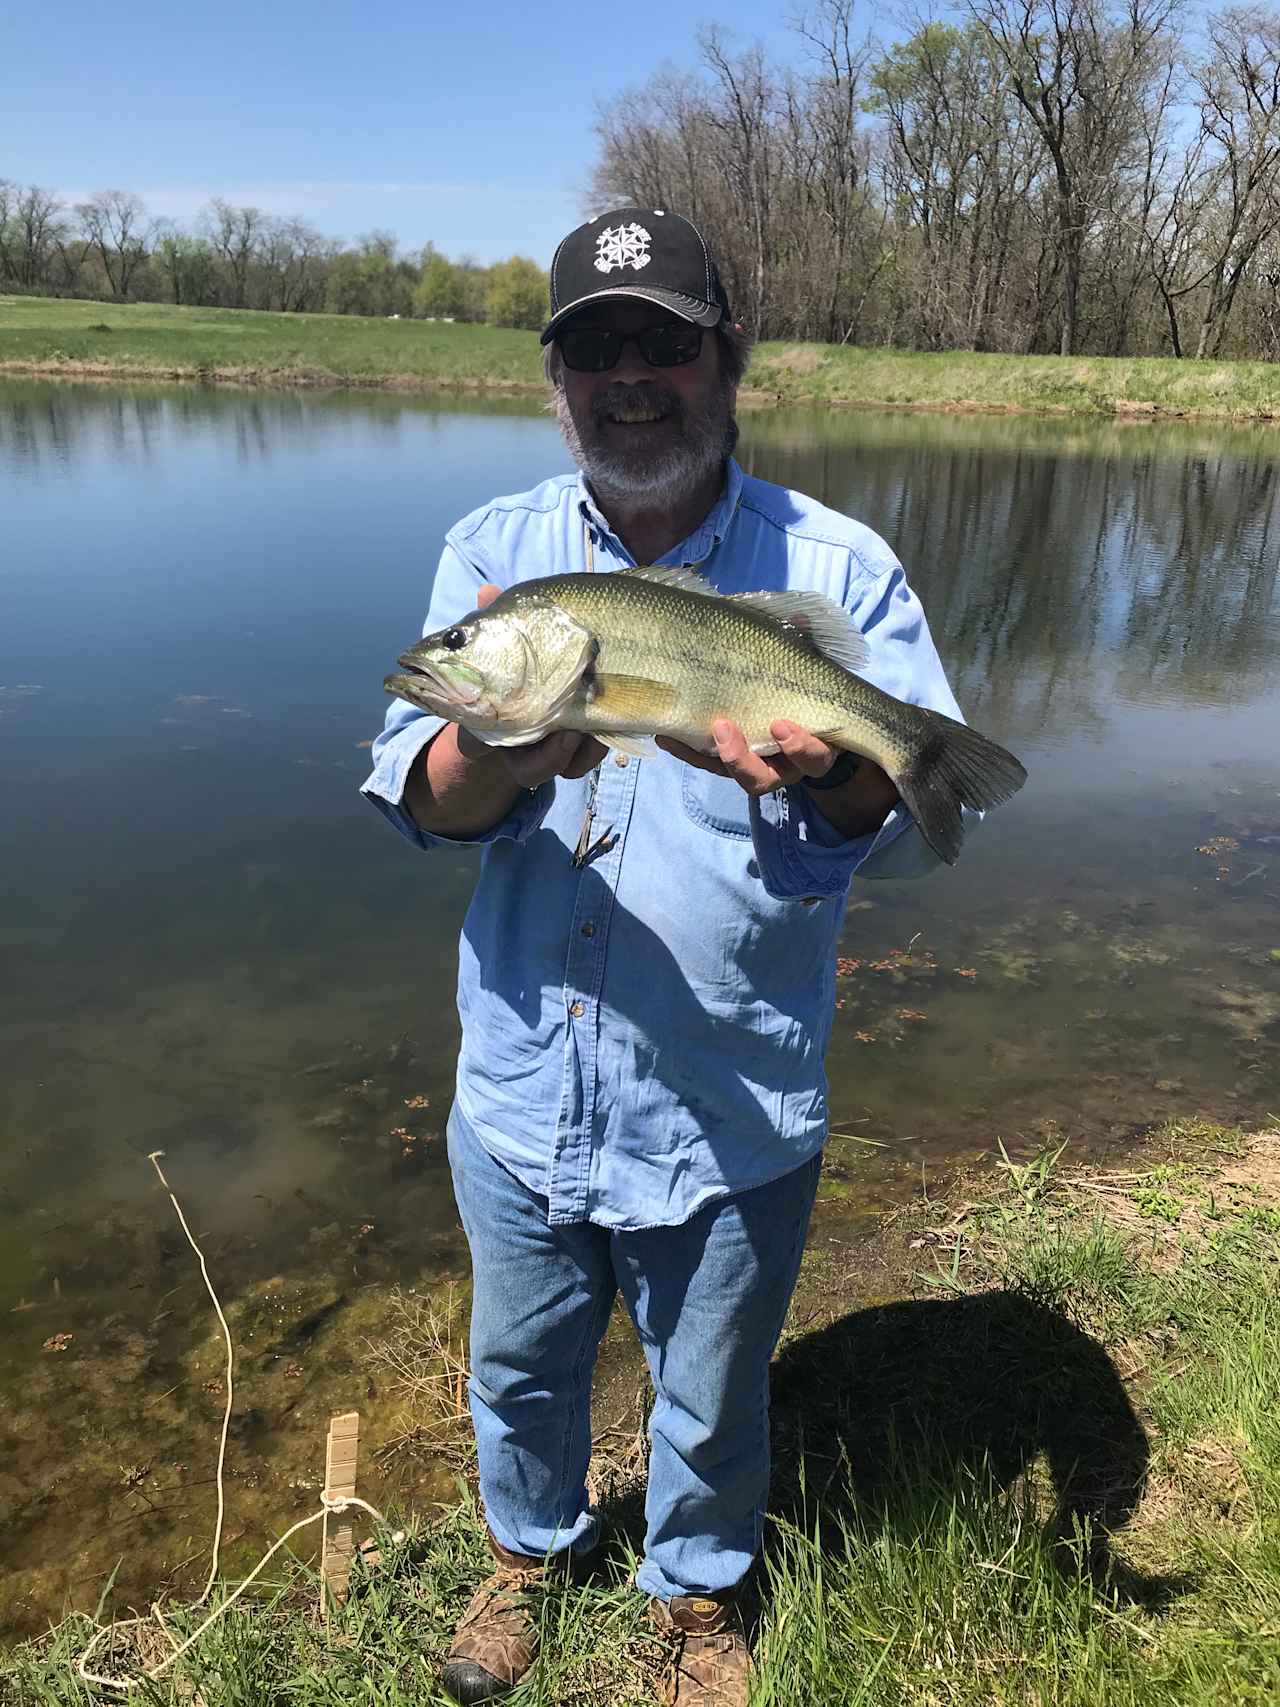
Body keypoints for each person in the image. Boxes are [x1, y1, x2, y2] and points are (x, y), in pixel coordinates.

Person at [362, 207, 978, 1706]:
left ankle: (696, 1599)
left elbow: (867, 817)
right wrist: (503, 754)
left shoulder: (836, 565)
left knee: (709, 1395)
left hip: (730, 1101)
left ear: (728, 361)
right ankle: (528, 1556)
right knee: (518, 1365)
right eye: (595, 349)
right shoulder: (499, 560)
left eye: (664, 343)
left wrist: (839, 767)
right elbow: (421, 792)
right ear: (558, 379)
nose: (630, 377)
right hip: (521, 1087)